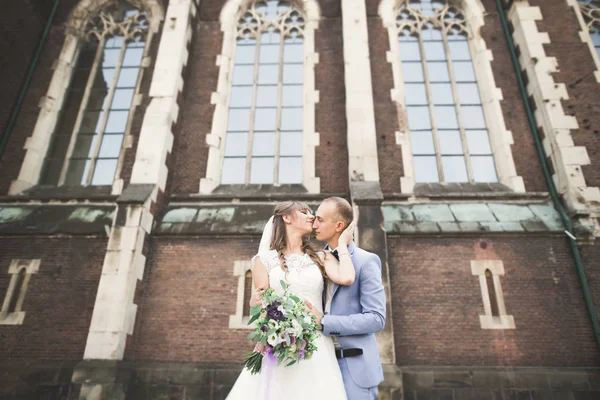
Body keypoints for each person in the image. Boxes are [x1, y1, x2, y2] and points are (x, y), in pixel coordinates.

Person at [226, 200, 356, 400]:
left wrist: (341, 245)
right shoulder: (264, 260)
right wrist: (255, 303)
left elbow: (347, 277)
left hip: (316, 343)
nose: (311, 216)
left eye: (311, 213)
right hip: (279, 344)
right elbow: (262, 307)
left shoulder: (321, 257)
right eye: (304, 212)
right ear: (286, 218)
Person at [311, 197, 386, 400]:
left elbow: (376, 319)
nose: (313, 224)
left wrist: (325, 322)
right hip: (318, 365)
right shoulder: (314, 261)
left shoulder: (366, 261)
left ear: (339, 226)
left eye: (320, 219)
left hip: (355, 367)